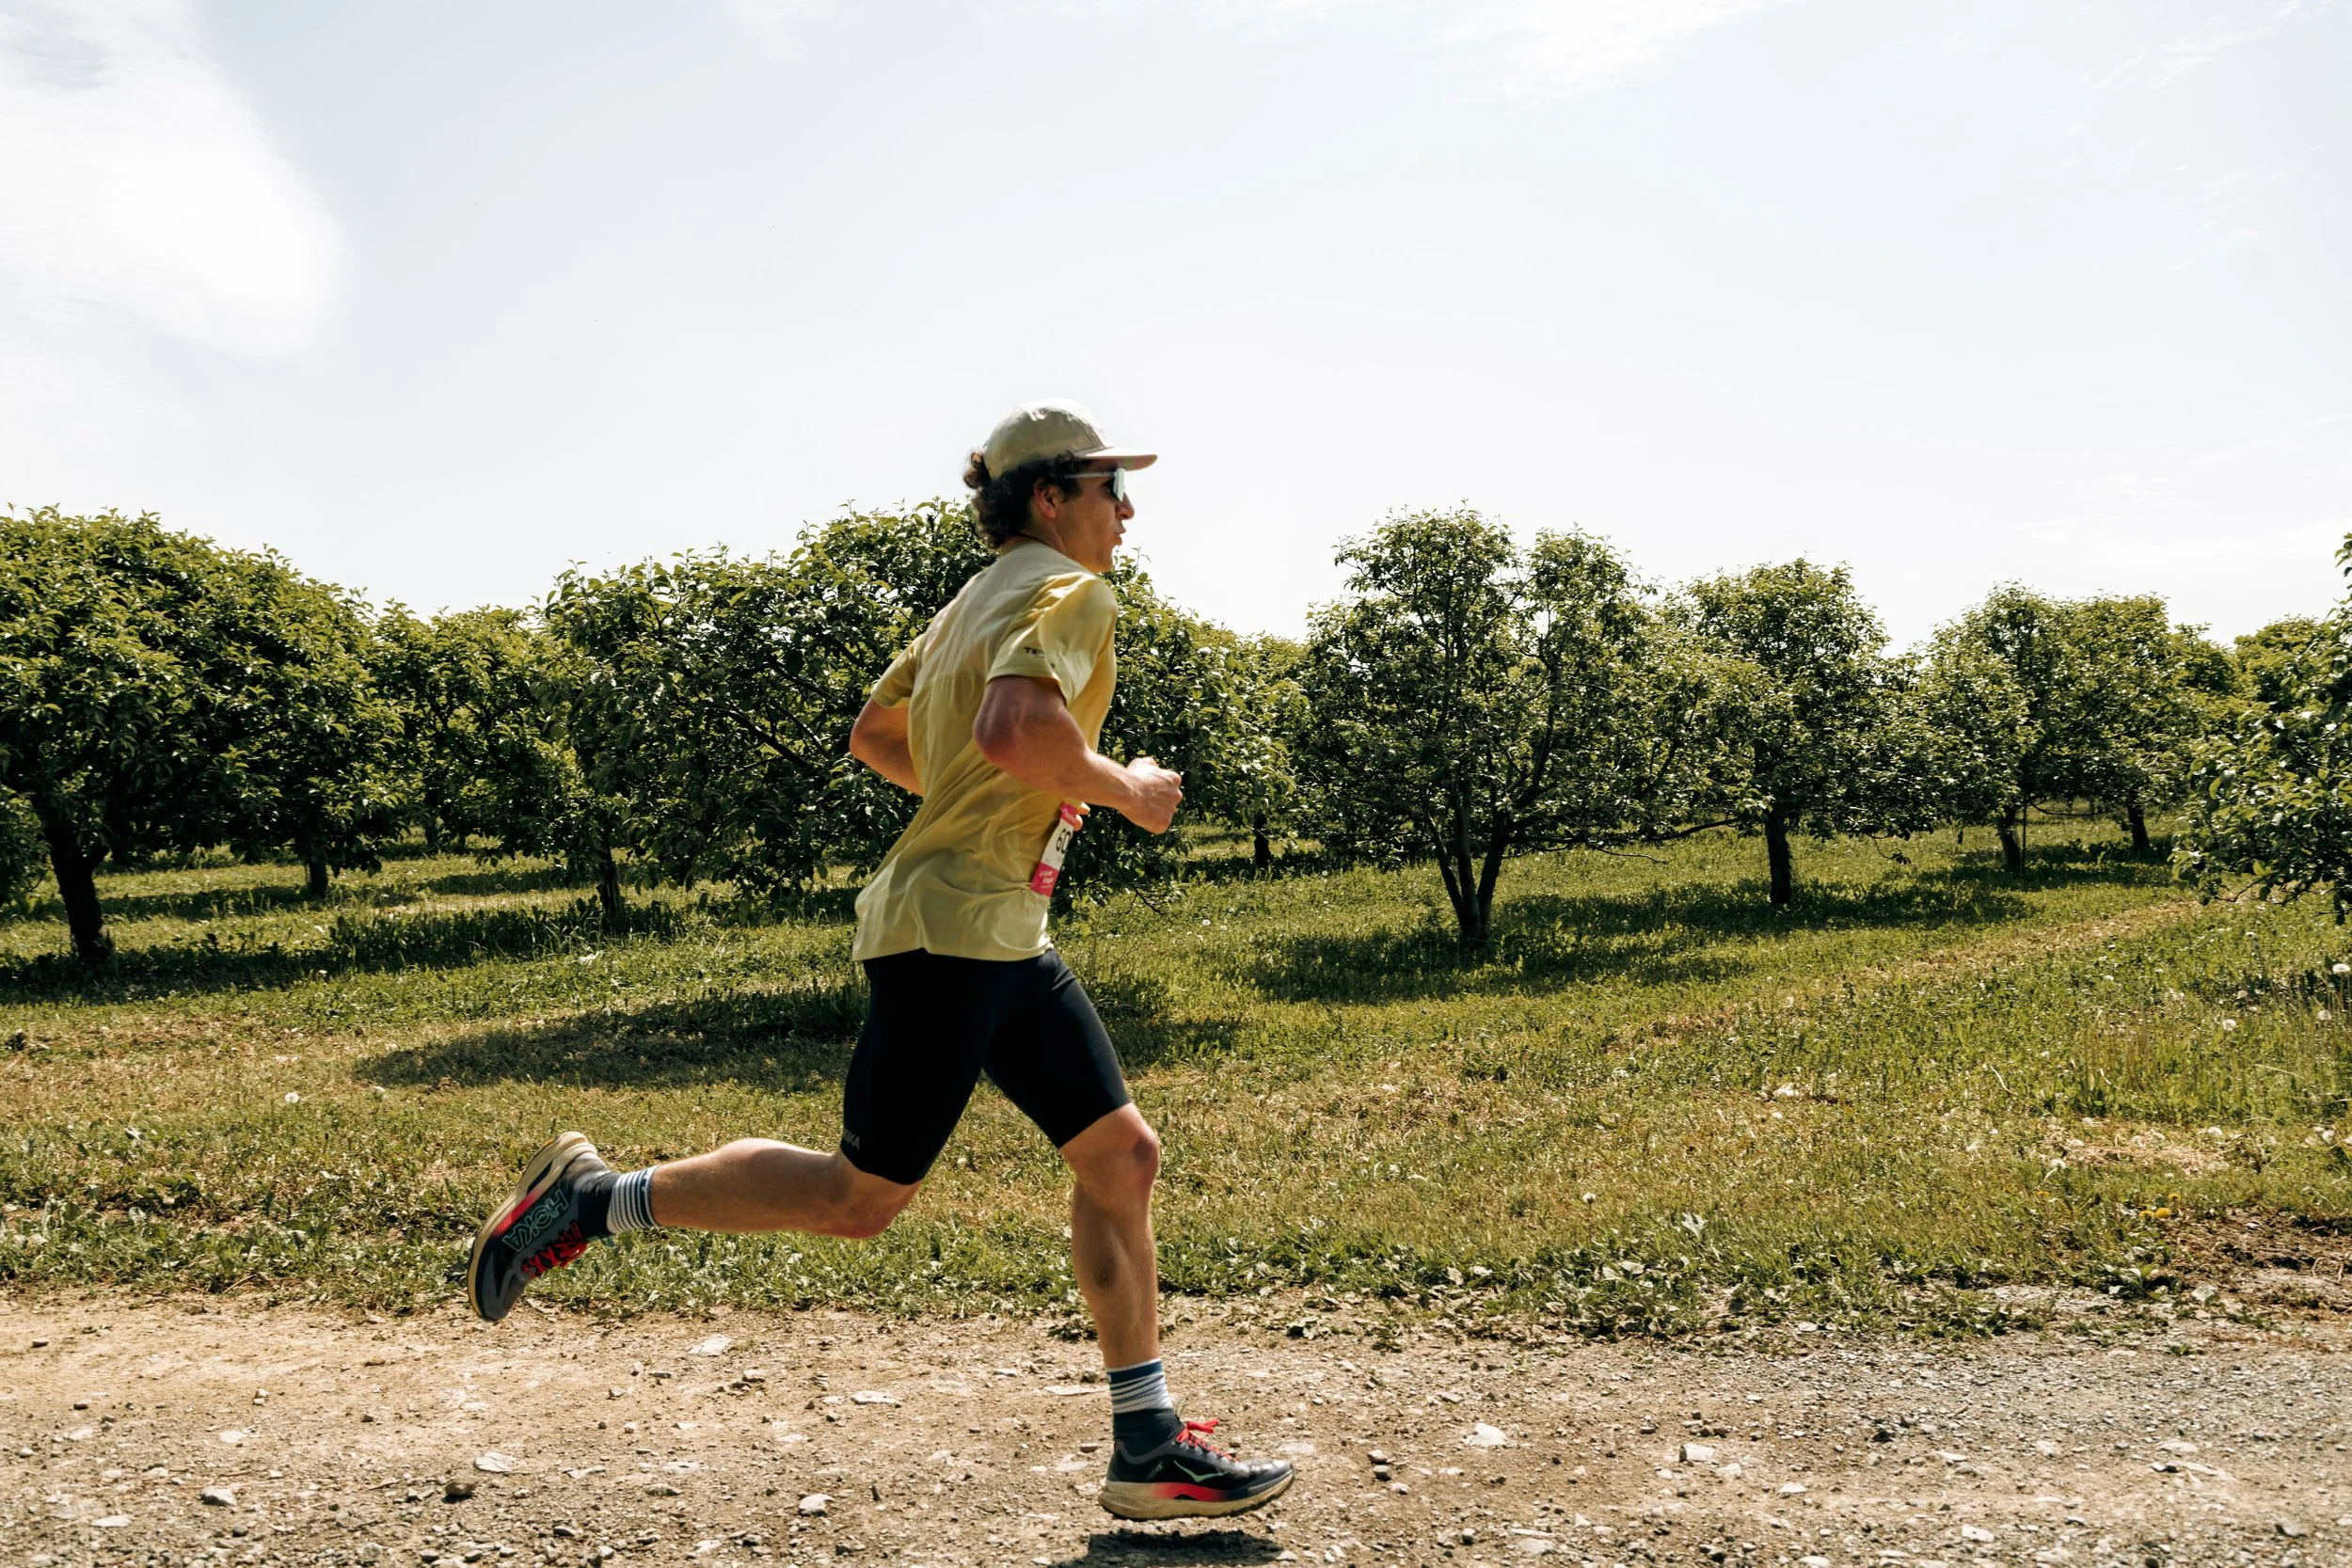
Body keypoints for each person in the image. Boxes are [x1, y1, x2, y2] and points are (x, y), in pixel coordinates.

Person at [464, 400, 1294, 1523]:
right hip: (955, 932)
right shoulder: (1068, 588)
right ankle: (595, 1199)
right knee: (861, 1198)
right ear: (1050, 496)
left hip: (994, 924)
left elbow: (878, 734)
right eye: (1108, 487)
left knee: (1120, 1154)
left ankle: (1147, 1444)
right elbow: (1011, 729)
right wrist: (1118, 787)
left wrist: (1018, 792)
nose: (1128, 509)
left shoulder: (967, 604)